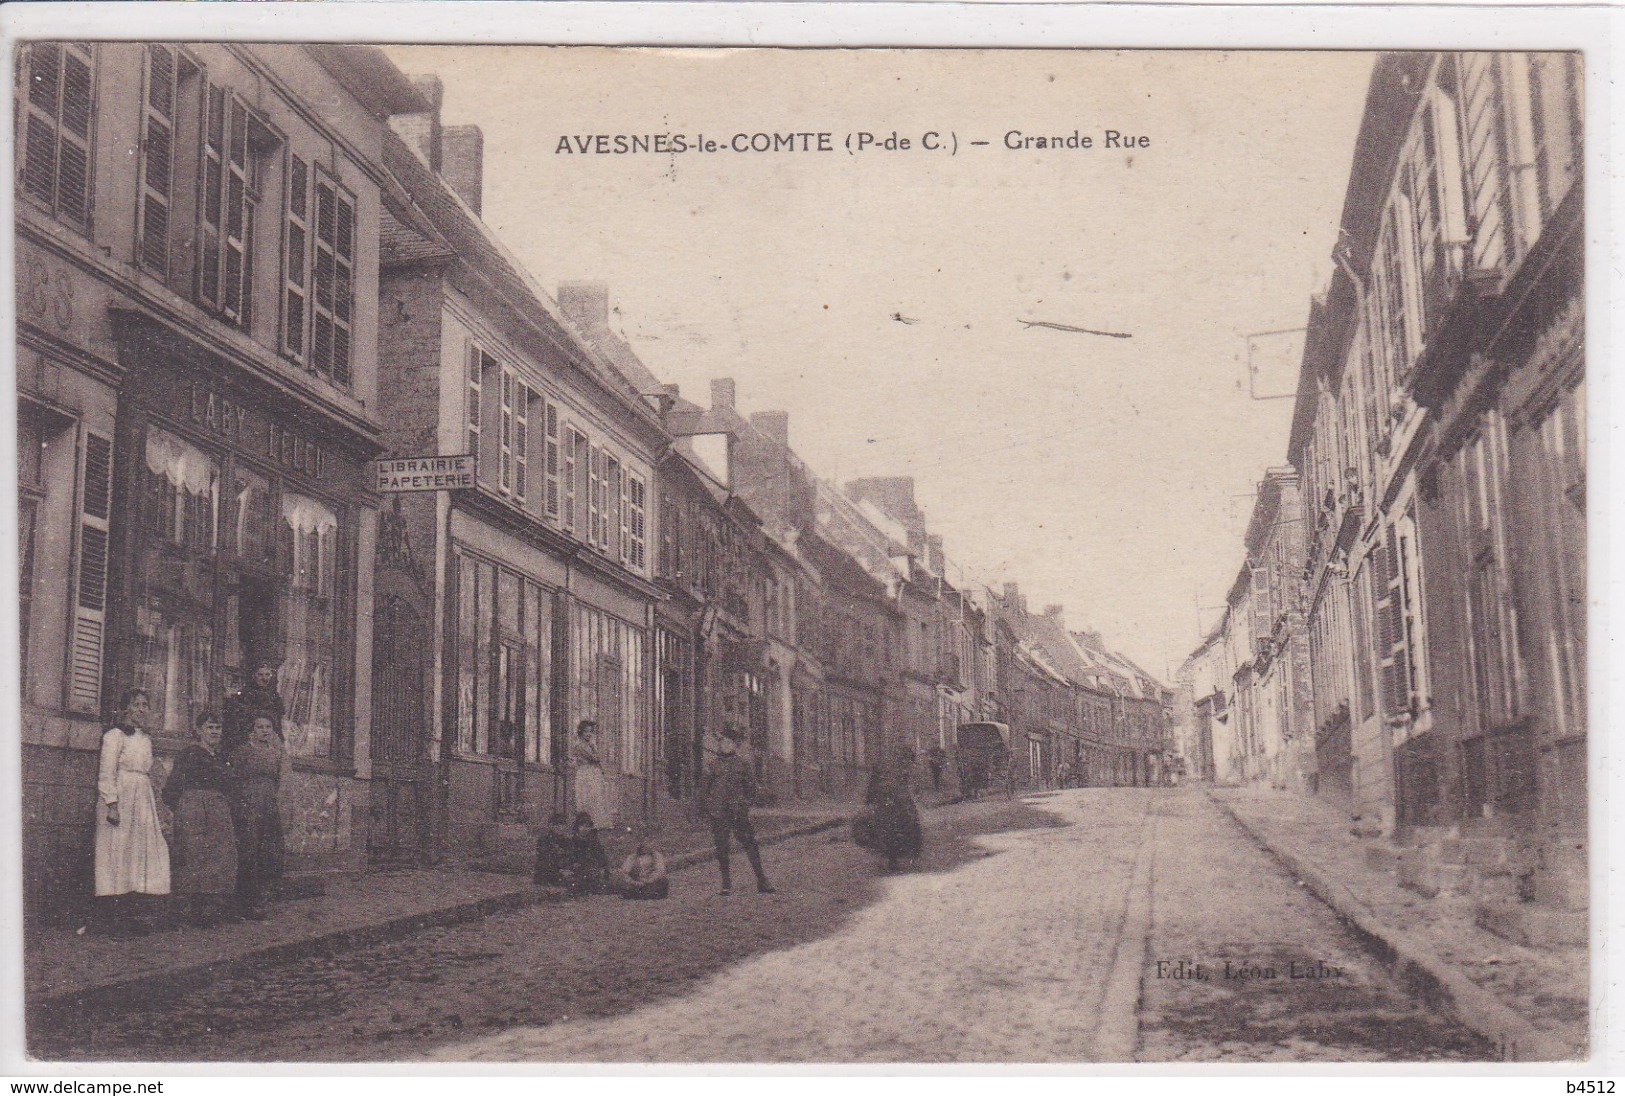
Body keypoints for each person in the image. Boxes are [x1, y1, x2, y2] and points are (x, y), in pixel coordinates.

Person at [94, 689, 171, 934]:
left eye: (145, 705)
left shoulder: (146, 739)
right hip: (121, 798)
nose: (140, 709)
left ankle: (130, 915)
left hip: (142, 798)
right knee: (117, 852)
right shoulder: (114, 736)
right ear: (126, 709)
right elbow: (107, 772)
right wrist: (112, 804)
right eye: (135, 704)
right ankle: (113, 920)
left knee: (138, 854)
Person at [162, 710, 239, 926]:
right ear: (199, 731)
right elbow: (173, 786)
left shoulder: (222, 758)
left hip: (218, 809)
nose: (214, 732)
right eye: (209, 728)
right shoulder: (189, 754)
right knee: (193, 854)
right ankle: (188, 910)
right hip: (193, 808)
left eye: (218, 728)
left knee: (219, 855)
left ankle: (210, 909)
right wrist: (185, 808)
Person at [698, 728, 775, 896]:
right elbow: (704, 790)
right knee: (722, 847)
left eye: (729, 742)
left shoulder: (743, 764)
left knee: (750, 844)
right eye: (723, 742)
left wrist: (745, 804)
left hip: (738, 812)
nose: (726, 745)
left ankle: (762, 880)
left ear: (735, 745)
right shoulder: (712, 765)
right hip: (719, 813)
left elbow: (752, 789)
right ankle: (726, 884)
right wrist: (711, 807)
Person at [227, 714, 285, 920]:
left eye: (268, 727)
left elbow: (277, 780)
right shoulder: (243, 752)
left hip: (267, 806)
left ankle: (261, 897)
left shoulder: (275, 754)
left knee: (267, 850)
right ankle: (245, 900)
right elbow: (233, 779)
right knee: (248, 850)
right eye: (260, 727)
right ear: (252, 730)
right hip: (248, 805)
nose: (265, 730)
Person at [864, 748, 924, 872]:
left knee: (894, 829)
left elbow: (910, 786)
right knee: (897, 828)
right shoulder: (898, 769)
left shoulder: (899, 769)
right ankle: (896, 857)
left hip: (892, 803)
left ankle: (895, 857)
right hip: (893, 803)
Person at [224, 661, 285, 755]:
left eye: (267, 674)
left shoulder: (275, 696)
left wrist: (281, 740)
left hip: (270, 739)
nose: (264, 678)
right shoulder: (245, 694)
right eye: (260, 674)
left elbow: (278, 723)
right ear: (254, 676)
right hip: (250, 739)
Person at [571, 720, 614, 832]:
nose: (589, 734)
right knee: (587, 797)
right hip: (586, 773)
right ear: (581, 732)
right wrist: (594, 747)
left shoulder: (588, 744)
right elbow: (596, 758)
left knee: (596, 797)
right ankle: (586, 823)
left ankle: (596, 822)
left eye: (590, 732)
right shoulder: (580, 745)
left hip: (592, 773)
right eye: (586, 732)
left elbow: (597, 759)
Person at [565, 810, 610, 897]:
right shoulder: (572, 841)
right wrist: (573, 863)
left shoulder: (593, 841)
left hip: (592, 867)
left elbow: (601, 855)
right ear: (577, 827)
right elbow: (569, 856)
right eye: (582, 826)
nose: (585, 829)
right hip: (577, 867)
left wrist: (603, 867)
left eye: (587, 827)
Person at [533, 811, 574, 888]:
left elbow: (571, 857)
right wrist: (560, 871)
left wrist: (568, 869)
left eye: (563, 824)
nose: (560, 827)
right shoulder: (544, 841)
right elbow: (544, 861)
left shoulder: (568, 841)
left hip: (565, 872)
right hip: (549, 873)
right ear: (551, 826)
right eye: (557, 825)